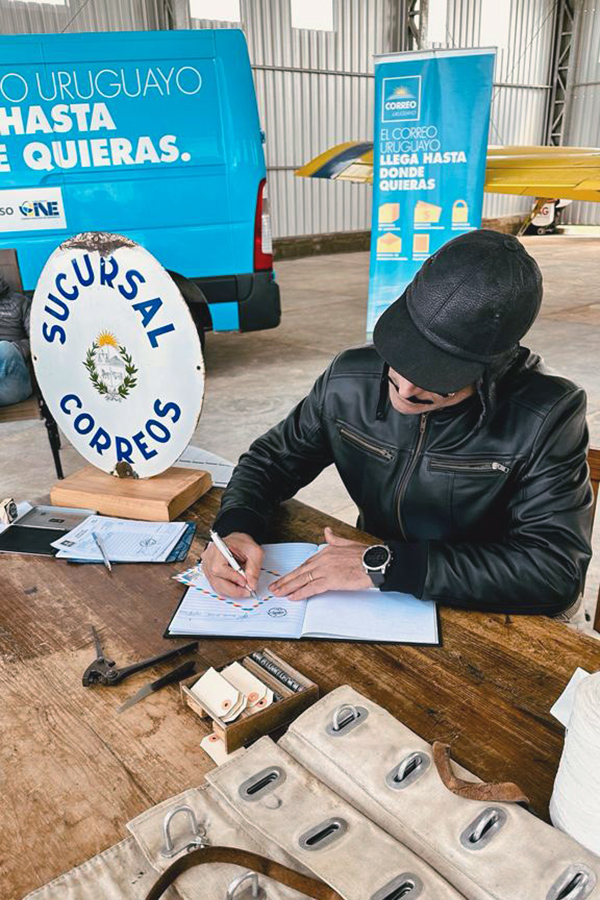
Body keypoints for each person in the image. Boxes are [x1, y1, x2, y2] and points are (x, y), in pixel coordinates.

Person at [202, 230, 593, 617]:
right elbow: (269, 463)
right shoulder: (347, 380)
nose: (405, 389)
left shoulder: (547, 414)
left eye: (440, 376)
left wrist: (385, 565)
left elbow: (553, 573)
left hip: (487, 609)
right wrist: (236, 526)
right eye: (403, 357)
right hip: (372, 598)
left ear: (491, 370)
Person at [0, 272, 33, 407]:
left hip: (13, 382)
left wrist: (14, 348)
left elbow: (37, 341)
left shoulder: (20, 302)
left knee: (4, 348)